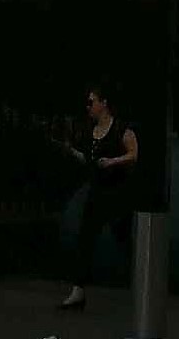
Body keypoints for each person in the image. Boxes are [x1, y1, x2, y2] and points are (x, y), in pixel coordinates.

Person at [57, 84, 138, 315]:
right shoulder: (90, 131)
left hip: (117, 192)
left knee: (123, 238)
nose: (89, 106)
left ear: (104, 103)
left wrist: (113, 161)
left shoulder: (120, 128)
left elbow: (133, 154)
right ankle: (78, 290)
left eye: (92, 102)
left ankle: (141, 280)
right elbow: (89, 160)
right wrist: (71, 152)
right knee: (85, 239)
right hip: (97, 192)